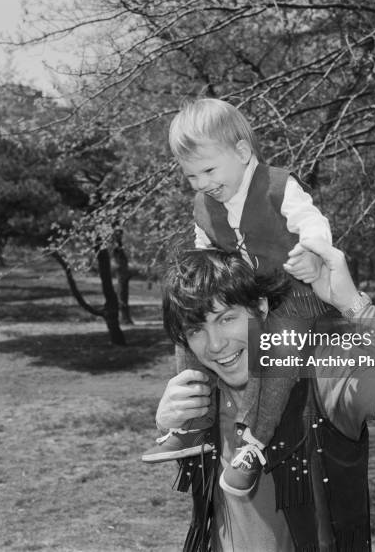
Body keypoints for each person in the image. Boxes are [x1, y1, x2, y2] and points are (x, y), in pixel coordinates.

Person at [155, 240, 375, 552]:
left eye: (226, 319)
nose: (215, 344)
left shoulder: (322, 373)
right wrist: (169, 426)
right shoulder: (205, 392)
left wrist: (356, 307)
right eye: (196, 330)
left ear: (260, 307)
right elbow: (204, 492)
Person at [142, 98, 333, 498]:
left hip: (295, 294)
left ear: (242, 153)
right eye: (191, 177)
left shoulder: (279, 186)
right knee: (190, 325)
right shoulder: (204, 205)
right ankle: (193, 423)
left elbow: (312, 222)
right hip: (248, 292)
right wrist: (196, 283)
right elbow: (204, 251)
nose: (202, 183)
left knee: (279, 354)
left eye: (209, 170)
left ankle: (254, 443)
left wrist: (313, 251)